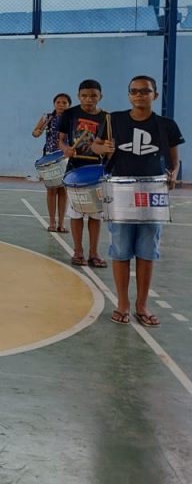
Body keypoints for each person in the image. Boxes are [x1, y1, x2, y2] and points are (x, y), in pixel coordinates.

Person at [93, 75, 183, 327]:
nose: (139, 95)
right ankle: (122, 303)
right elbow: (96, 146)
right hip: (120, 191)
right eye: (134, 91)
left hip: (152, 192)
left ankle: (142, 305)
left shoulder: (166, 125)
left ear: (154, 95)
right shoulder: (114, 120)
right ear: (128, 95)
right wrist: (103, 149)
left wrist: (173, 175)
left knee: (146, 251)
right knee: (120, 251)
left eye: (145, 91)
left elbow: (174, 161)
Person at [57, 79, 108, 268]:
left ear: (100, 96)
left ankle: (94, 253)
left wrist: (104, 149)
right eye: (84, 96)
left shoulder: (107, 118)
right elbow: (60, 140)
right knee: (77, 213)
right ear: (78, 96)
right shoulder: (69, 114)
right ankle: (78, 251)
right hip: (75, 170)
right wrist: (65, 149)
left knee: (96, 214)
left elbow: (109, 144)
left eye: (93, 95)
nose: (89, 99)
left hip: (97, 170)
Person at [33, 93, 71, 233]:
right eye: (59, 102)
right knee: (51, 189)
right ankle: (52, 222)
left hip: (65, 158)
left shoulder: (71, 119)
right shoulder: (47, 117)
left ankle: (61, 223)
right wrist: (39, 130)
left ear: (69, 105)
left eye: (65, 103)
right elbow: (35, 133)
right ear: (54, 103)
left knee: (63, 190)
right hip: (50, 157)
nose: (61, 105)